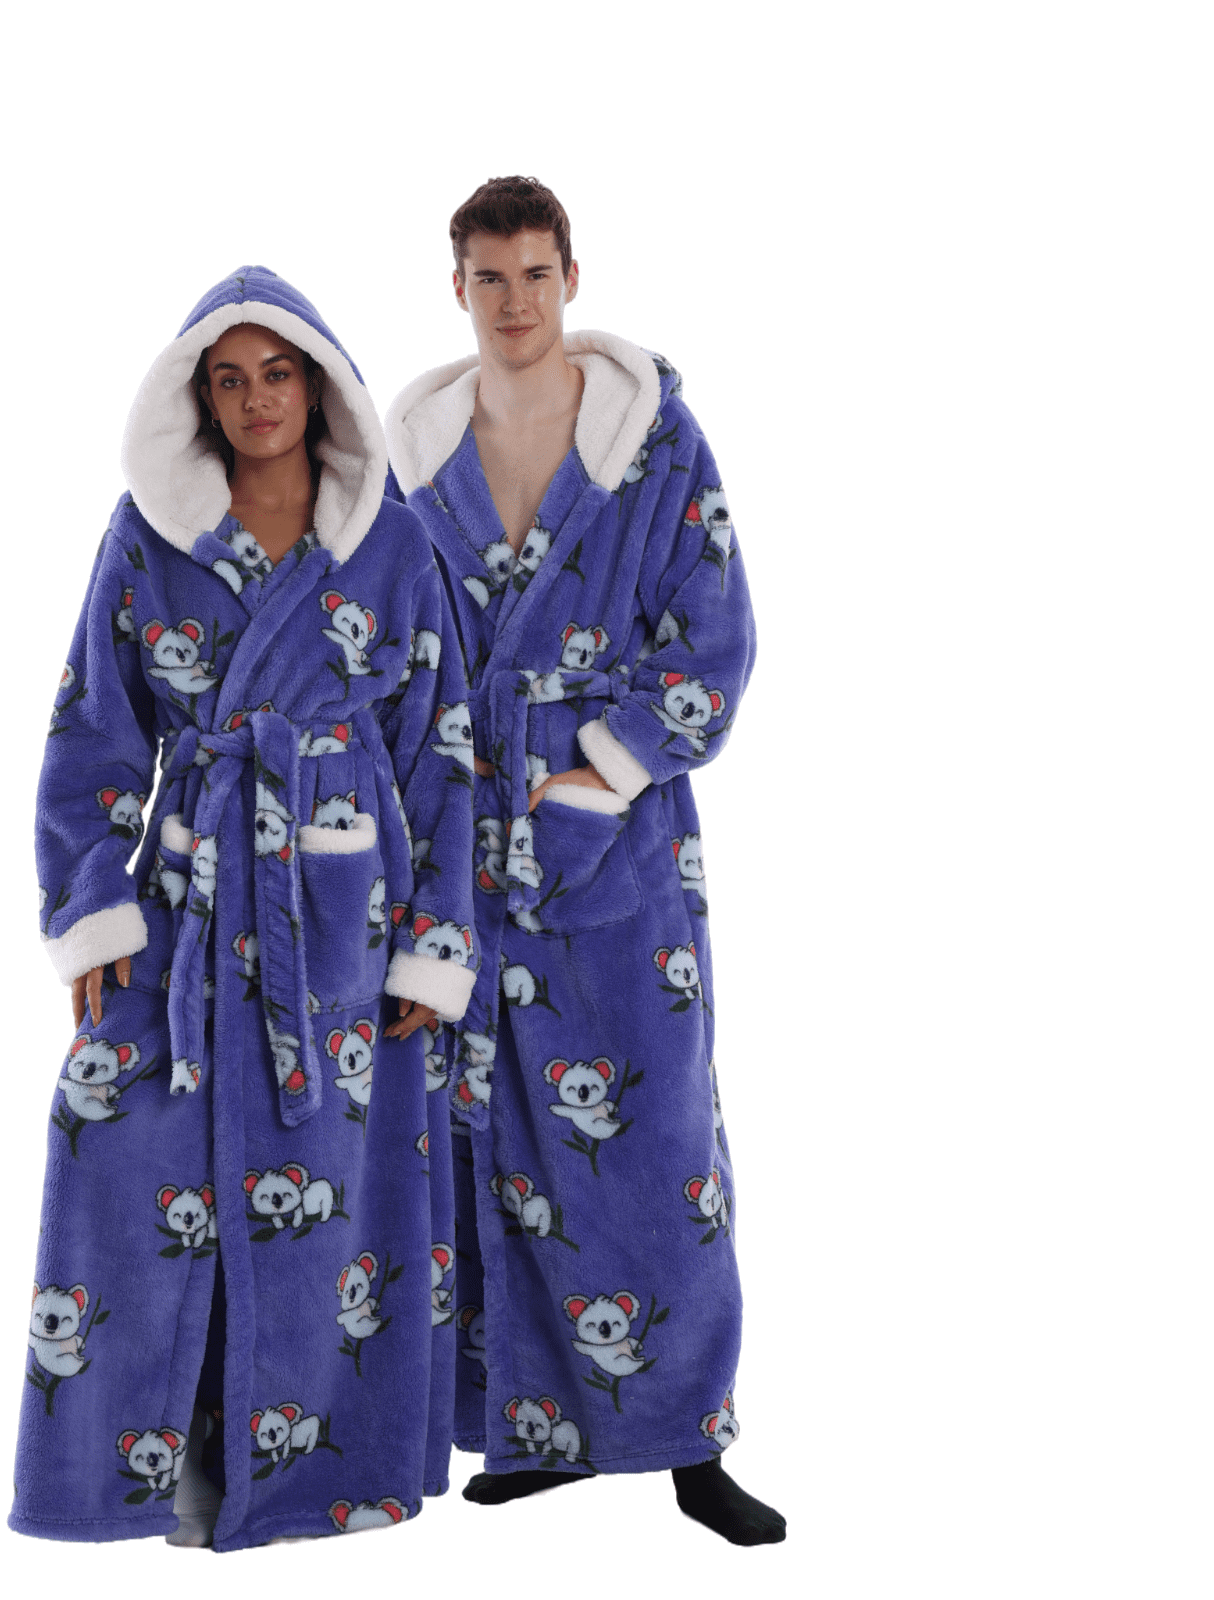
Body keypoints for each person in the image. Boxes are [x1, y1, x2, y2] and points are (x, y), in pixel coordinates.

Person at [10, 267, 477, 1552]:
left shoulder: (392, 541)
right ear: (199, 397)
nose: (256, 398)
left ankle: (306, 1467)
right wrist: (93, 907)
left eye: (277, 373)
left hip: (343, 915)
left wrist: (431, 946)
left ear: (317, 386)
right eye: (230, 378)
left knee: (326, 1184)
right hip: (189, 895)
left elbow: (441, 754)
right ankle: (153, 1455)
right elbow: (94, 728)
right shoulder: (149, 532)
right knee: (122, 1140)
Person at [384, 178, 786, 1545]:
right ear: (457, 288)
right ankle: (539, 1428)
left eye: (536, 273)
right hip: (463, 843)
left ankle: (689, 1441)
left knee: (654, 1139)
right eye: (490, 278)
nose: (516, 301)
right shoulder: (413, 462)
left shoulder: (652, 440)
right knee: (488, 1135)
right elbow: (396, 651)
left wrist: (602, 772)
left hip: (614, 843)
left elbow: (716, 632)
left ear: (572, 277)